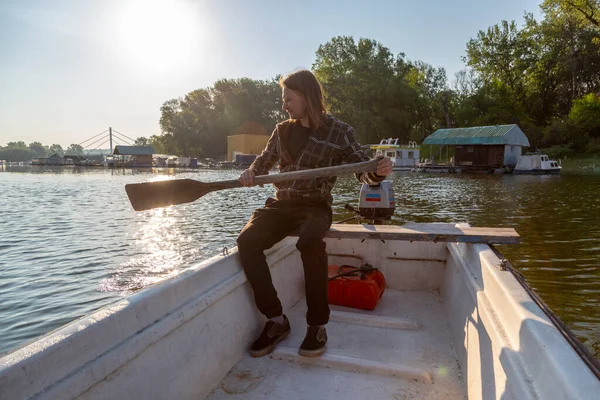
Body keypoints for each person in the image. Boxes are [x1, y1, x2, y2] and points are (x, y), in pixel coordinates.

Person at [237, 70, 392, 358]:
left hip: (314, 204)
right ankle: (276, 320)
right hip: (282, 202)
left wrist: (377, 171)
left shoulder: (338, 131)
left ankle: (317, 325)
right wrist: (251, 172)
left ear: (307, 96)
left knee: (309, 242)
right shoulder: (281, 130)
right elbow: (264, 161)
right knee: (247, 241)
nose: (284, 105)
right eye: (283, 99)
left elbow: (362, 168)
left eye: (288, 98)